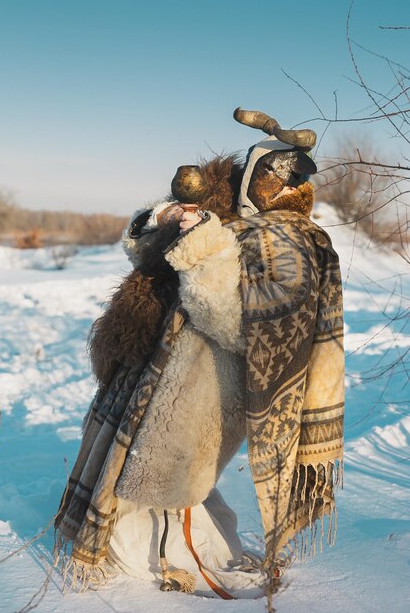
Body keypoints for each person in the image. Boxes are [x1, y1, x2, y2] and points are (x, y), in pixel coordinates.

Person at [54, 109, 344, 602]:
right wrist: (164, 225)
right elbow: (158, 265)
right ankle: (149, 550)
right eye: (262, 175)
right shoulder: (241, 222)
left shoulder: (289, 238)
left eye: (278, 177)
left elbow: (246, 326)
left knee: (170, 485)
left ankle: (176, 568)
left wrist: (204, 248)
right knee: (149, 478)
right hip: (170, 373)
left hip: (209, 382)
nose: (267, 185)